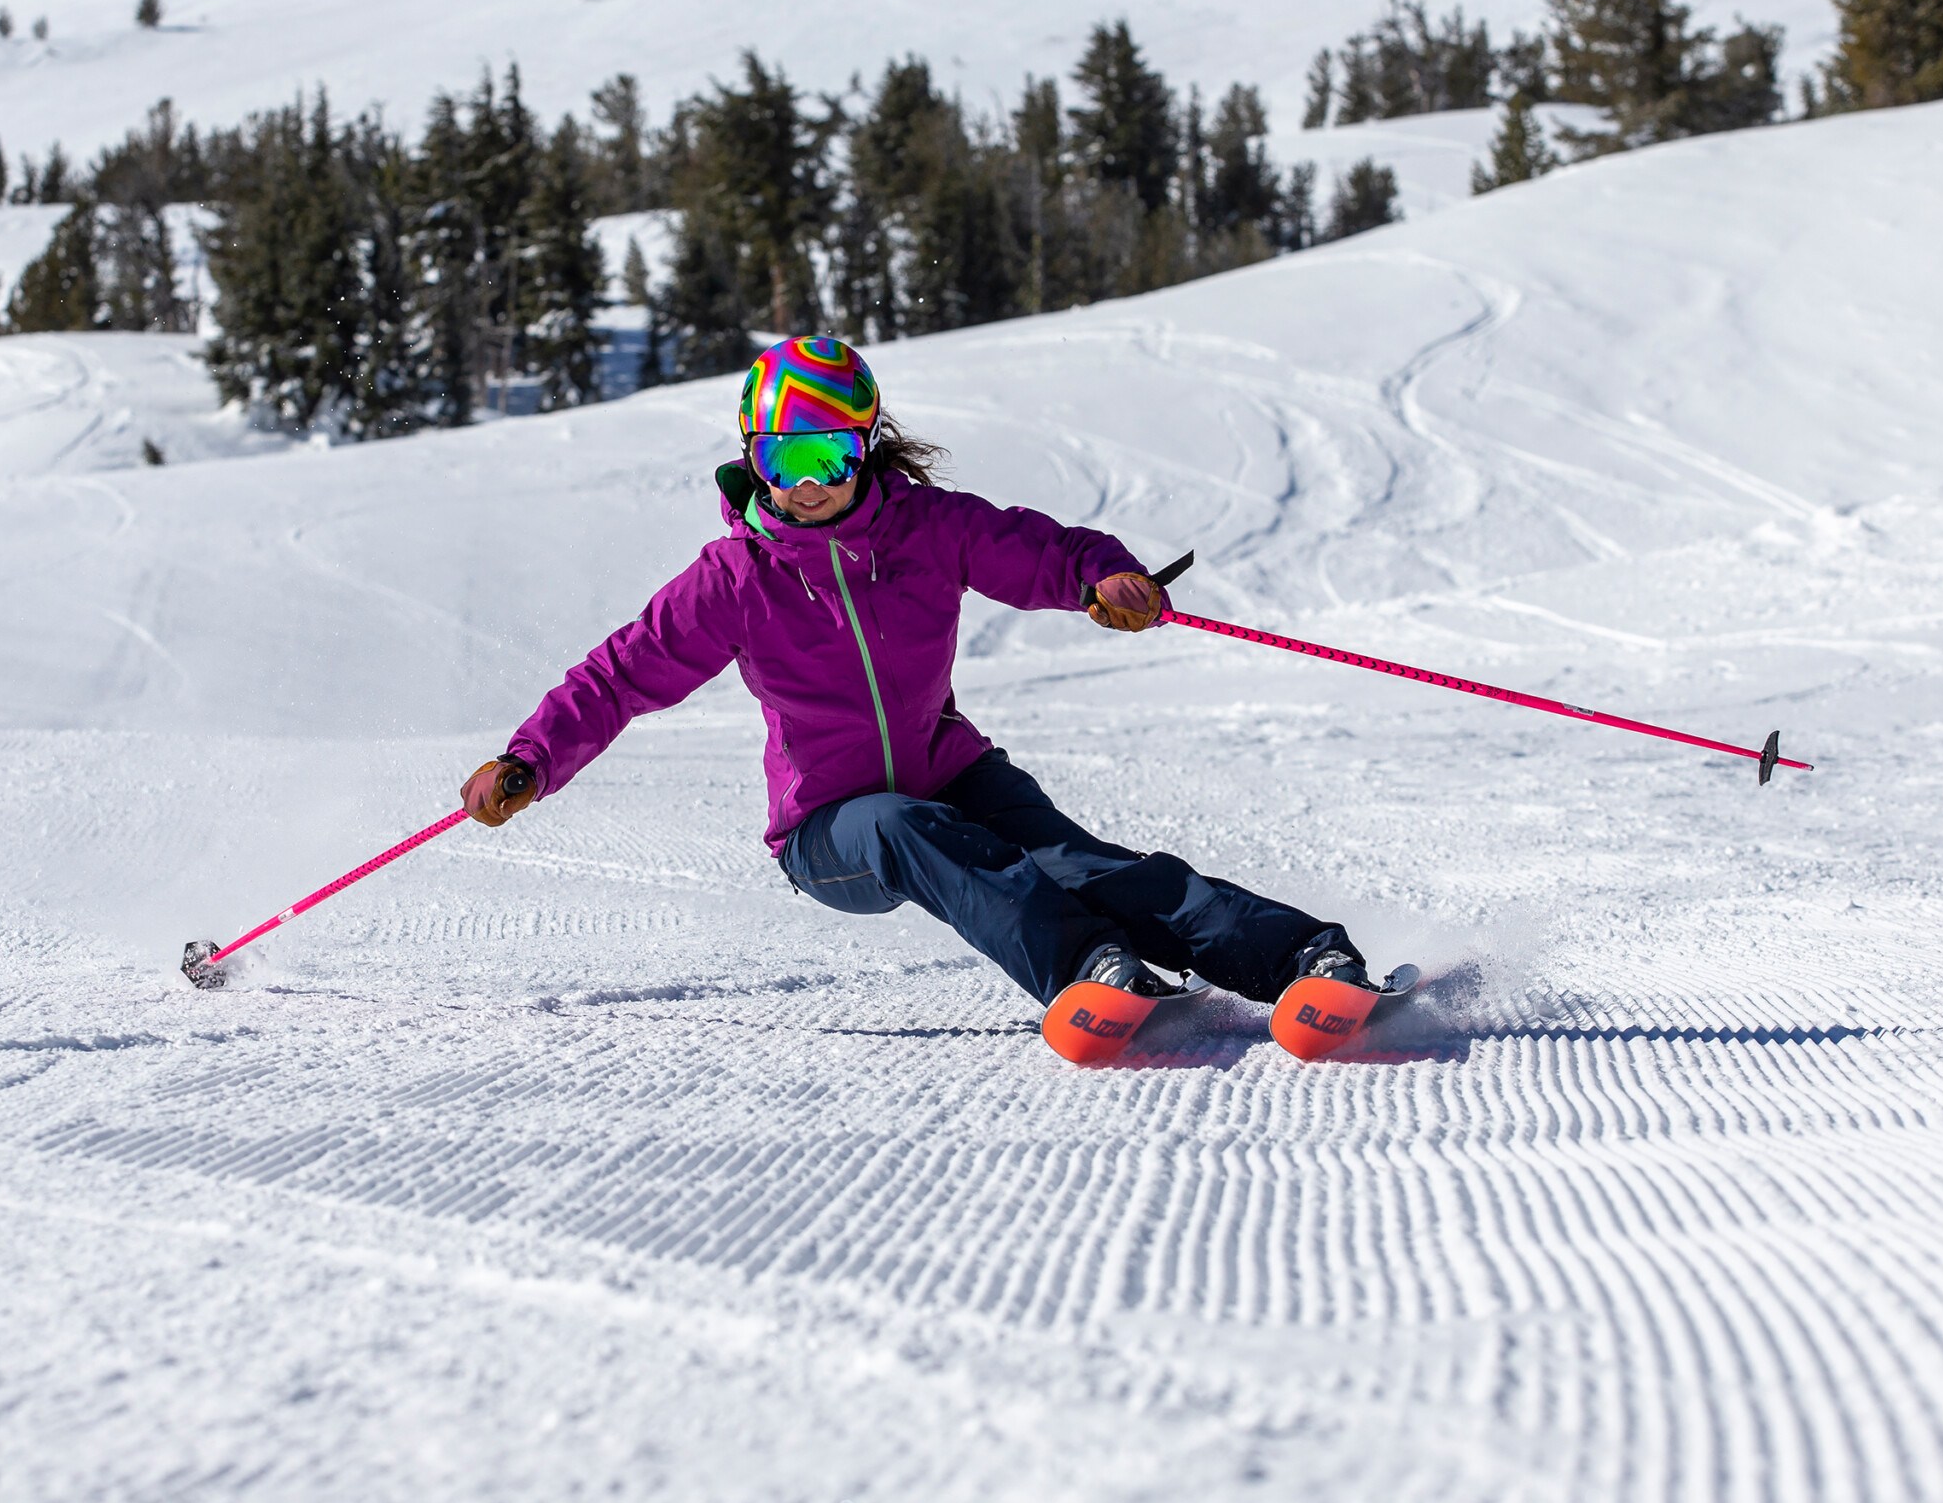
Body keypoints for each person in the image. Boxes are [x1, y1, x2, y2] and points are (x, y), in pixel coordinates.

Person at [461, 335, 1379, 1014]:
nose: (807, 483)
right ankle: (1088, 969)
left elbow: (1039, 547)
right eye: (784, 459)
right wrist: (531, 758)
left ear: (865, 447)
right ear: (753, 459)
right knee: (911, 828)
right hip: (830, 830)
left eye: (827, 456)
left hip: (954, 770)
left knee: (1085, 863)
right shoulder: (734, 579)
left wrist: (1104, 577)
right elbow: (622, 674)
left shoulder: (925, 529)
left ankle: (1304, 958)